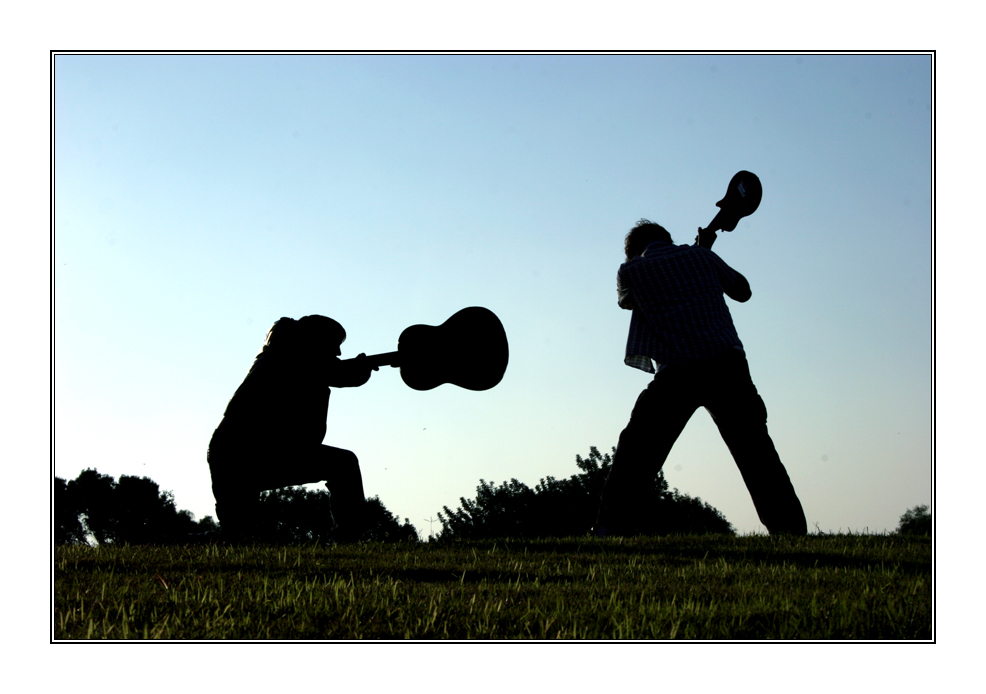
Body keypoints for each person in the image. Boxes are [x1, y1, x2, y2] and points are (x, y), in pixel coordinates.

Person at [595, 219, 807, 536]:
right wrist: (702, 252)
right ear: (667, 238)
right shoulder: (702, 258)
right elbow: (743, 290)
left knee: (636, 453)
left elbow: (627, 301)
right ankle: (790, 532)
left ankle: (609, 530)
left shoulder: (630, 272)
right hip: (727, 366)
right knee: (756, 454)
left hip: (677, 373)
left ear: (633, 253)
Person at [207, 315, 376, 543]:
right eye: (334, 343)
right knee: (343, 464)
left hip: (235, 452)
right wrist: (361, 369)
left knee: (237, 536)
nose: (337, 352)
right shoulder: (297, 354)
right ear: (315, 340)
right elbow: (340, 373)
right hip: (248, 452)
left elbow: (334, 370)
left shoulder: (282, 353)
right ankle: (349, 536)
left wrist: (358, 368)